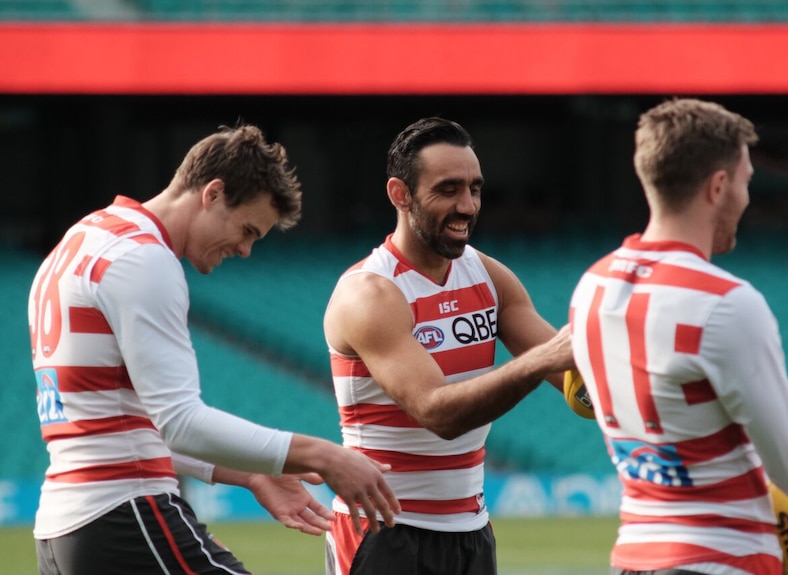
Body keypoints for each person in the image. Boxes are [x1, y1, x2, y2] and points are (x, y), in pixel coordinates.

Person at [27, 124, 400, 575]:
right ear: (213, 193)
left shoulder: (83, 240)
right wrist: (326, 455)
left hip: (64, 530)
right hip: (123, 512)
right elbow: (180, 422)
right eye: (247, 229)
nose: (244, 250)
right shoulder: (144, 258)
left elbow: (125, 423)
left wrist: (251, 474)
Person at [567, 98, 788, 575]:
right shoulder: (724, 303)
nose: (746, 197)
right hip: (721, 558)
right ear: (718, 186)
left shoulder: (592, 286)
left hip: (633, 556)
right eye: (745, 181)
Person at [322, 116, 576, 575]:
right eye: (448, 190)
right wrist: (541, 360)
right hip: (384, 535)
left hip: (471, 533)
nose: (468, 205)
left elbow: (576, 381)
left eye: (475, 189)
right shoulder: (371, 293)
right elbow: (439, 414)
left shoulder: (488, 275)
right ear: (400, 194)